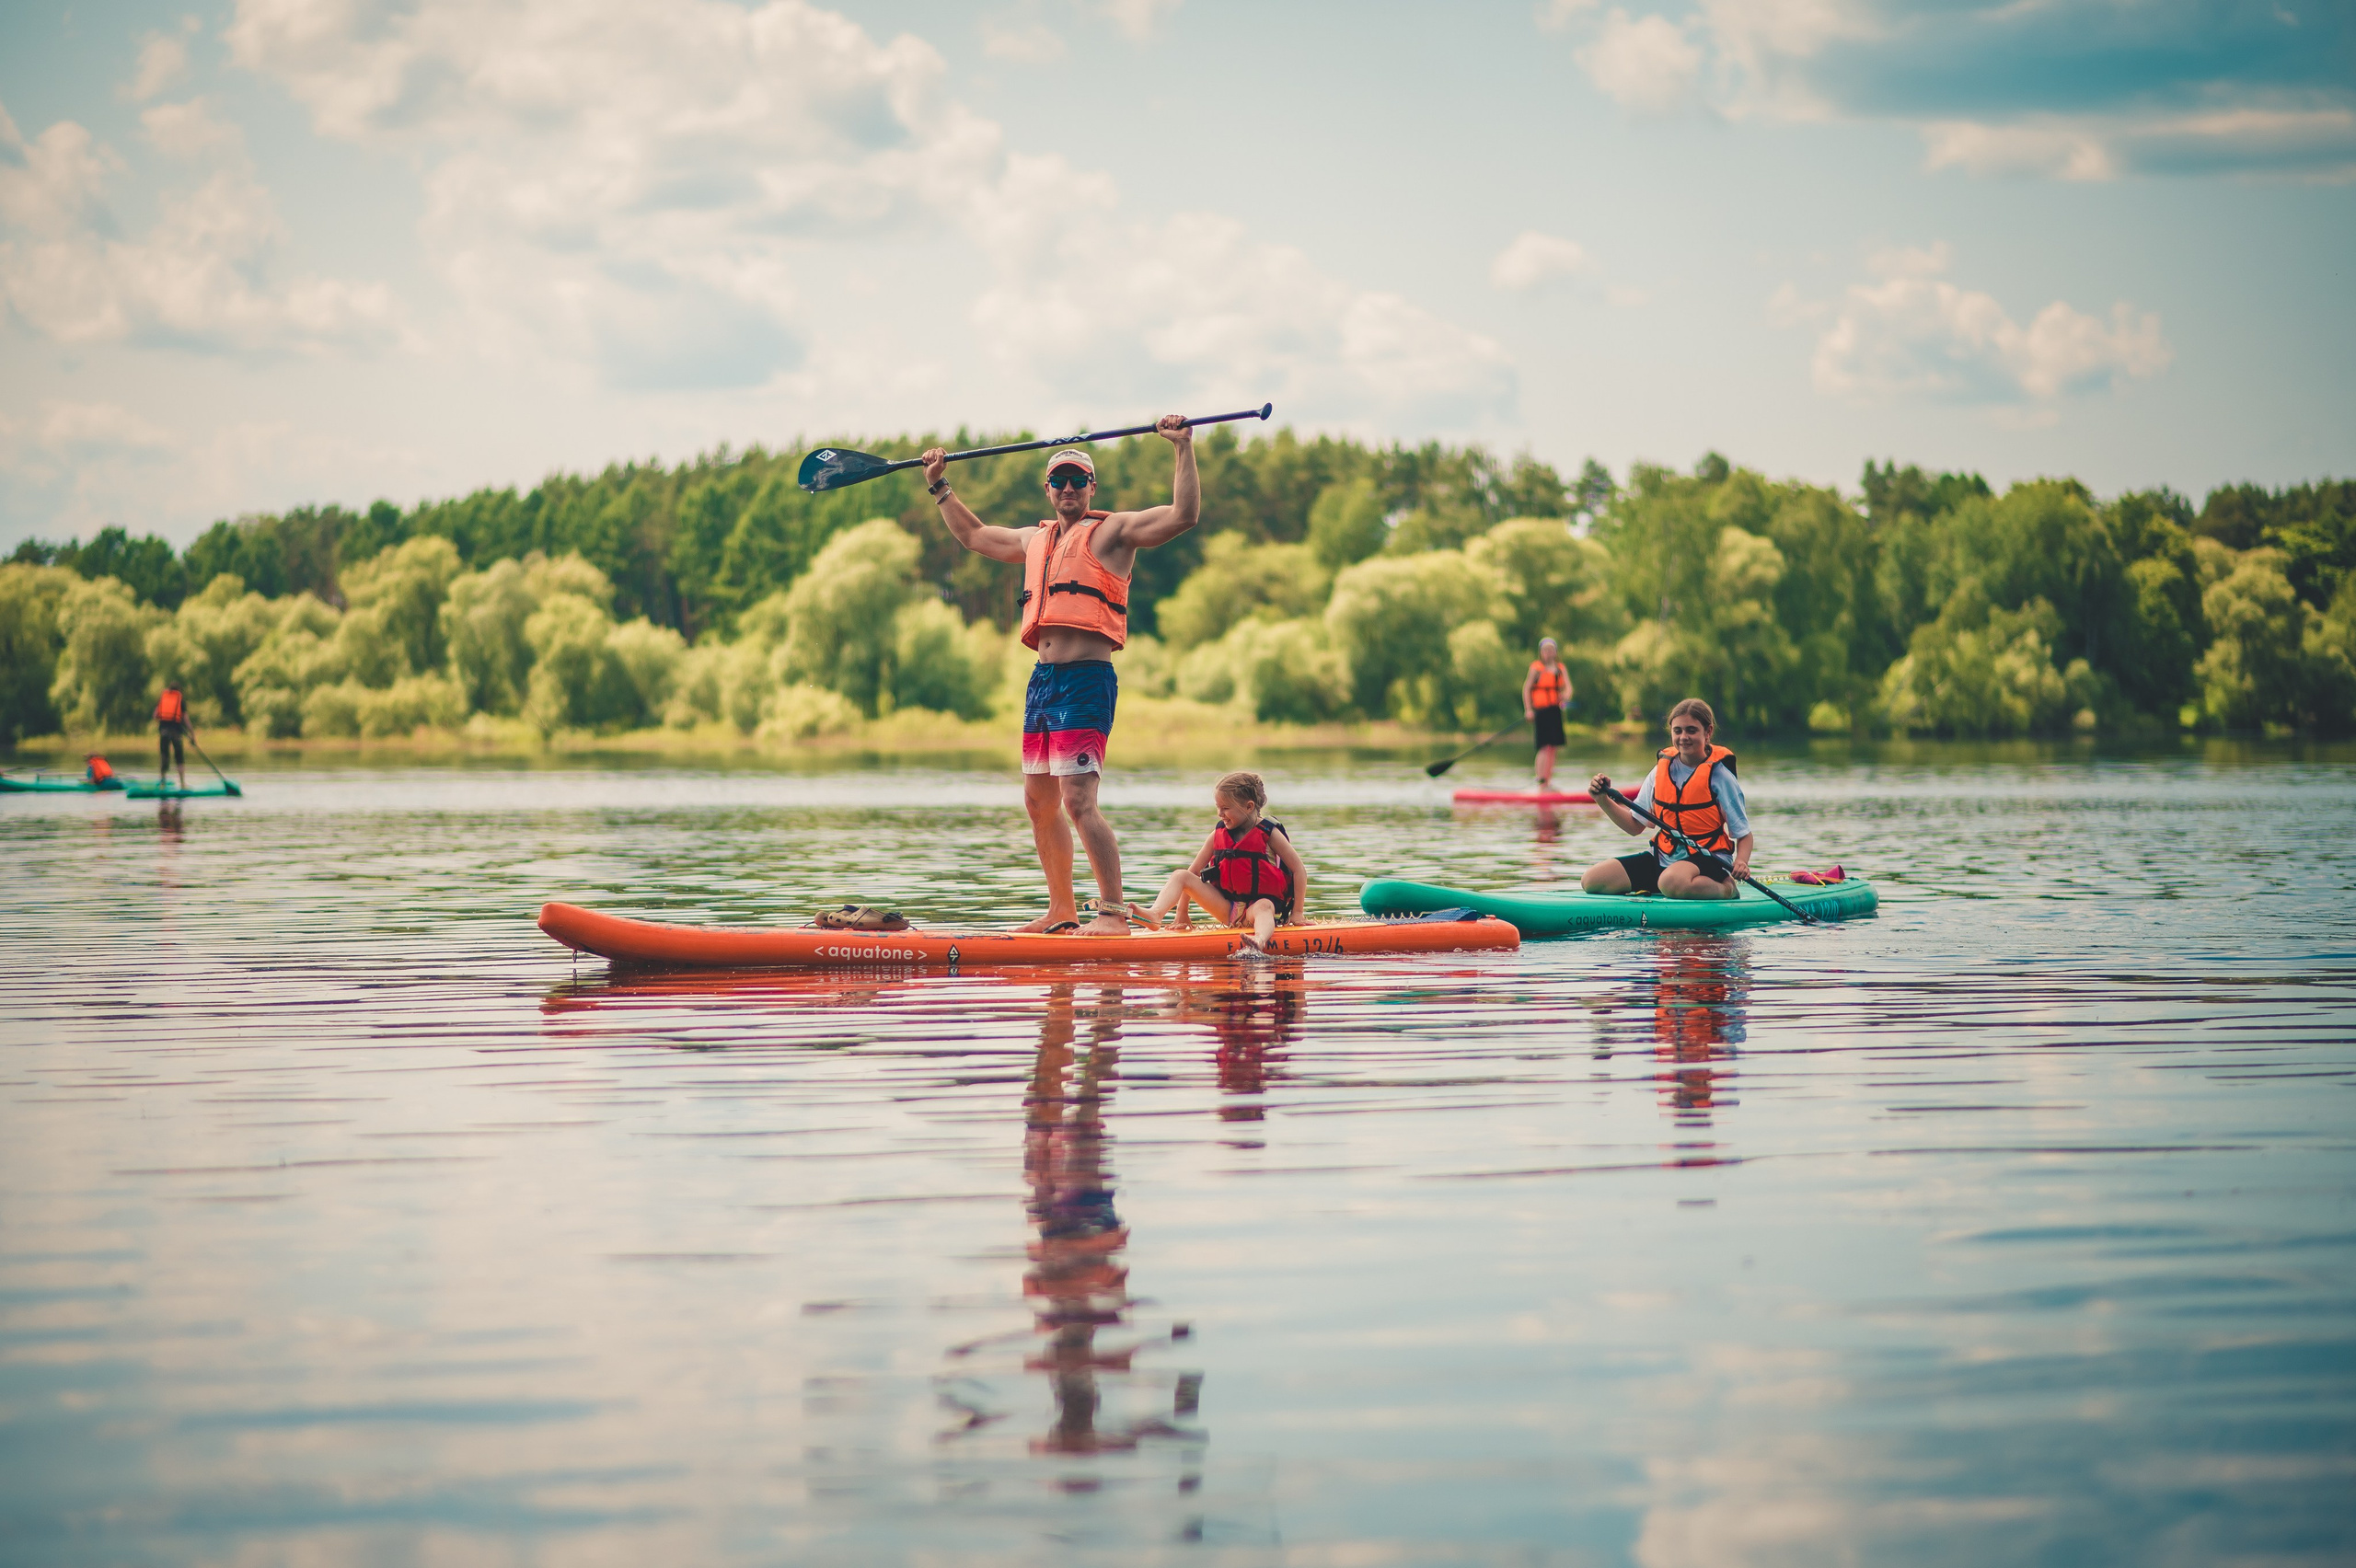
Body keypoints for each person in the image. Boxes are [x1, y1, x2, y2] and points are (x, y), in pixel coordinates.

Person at [921, 417, 1200, 936]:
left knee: (1077, 800)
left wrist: (1182, 448)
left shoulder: (1115, 531)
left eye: (1077, 480)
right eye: (1059, 481)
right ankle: (1062, 911)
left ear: (1091, 487)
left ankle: (1114, 915)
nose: (1068, 488)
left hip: (1087, 680)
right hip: (1042, 683)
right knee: (1038, 801)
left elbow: (1184, 515)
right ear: (1048, 489)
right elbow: (975, 535)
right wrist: (939, 485)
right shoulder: (1035, 540)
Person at [1582, 698, 1750, 901]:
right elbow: (1635, 826)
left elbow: (1744, 835)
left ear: (1708, 732)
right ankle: (1670, 887)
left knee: (1670, 881)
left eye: (1691, 730)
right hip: (1664, 857)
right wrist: (1602, 800)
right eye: (1677, 731)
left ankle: (1726, 889)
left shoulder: (1720, 776)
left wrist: (1741, 862)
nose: (1683, 737)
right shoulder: (1661, 770)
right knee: (1592, 881)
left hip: (1709, 859)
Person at [1129, 771, 1309, 954]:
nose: (1220, 813)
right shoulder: (1217, 834)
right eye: (1218, 807)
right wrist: (1182, 913)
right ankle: (1156, 914)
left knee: (1264, 906)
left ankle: (1259, 940)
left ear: (1248, 806)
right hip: (1226, 907)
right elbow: (1192, 874)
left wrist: (1297, 912)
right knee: (1180, 875)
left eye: (1225, 808)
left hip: (1258, 910)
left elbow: (1299, 870)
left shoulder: (1270, 833)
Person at [1522, 638, 1573, 790]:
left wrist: (1565, 696)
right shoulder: (1536, 668)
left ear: (1555, 652)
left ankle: (1548, 781)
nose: (1548, 653)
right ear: (1541, 652)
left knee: (1553, 747)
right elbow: (1526, 689)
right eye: (1546, 650)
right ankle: (1540, 780)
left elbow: (1568, 688)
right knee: (1544, 746)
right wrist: (1528, 709)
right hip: (1541, 711)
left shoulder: (1560, 669)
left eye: (1551, 650)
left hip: (1554, 711)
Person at [155, 684, 192, 790]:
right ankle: (182, 784)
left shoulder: (163, 698)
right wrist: (192, 734)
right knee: (179, 757)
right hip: (176, 732)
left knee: (164, 756)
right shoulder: (180, 700)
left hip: (164, 732)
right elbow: (186, 719)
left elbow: (155, 715)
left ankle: (163, 784)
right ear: (178, 690)